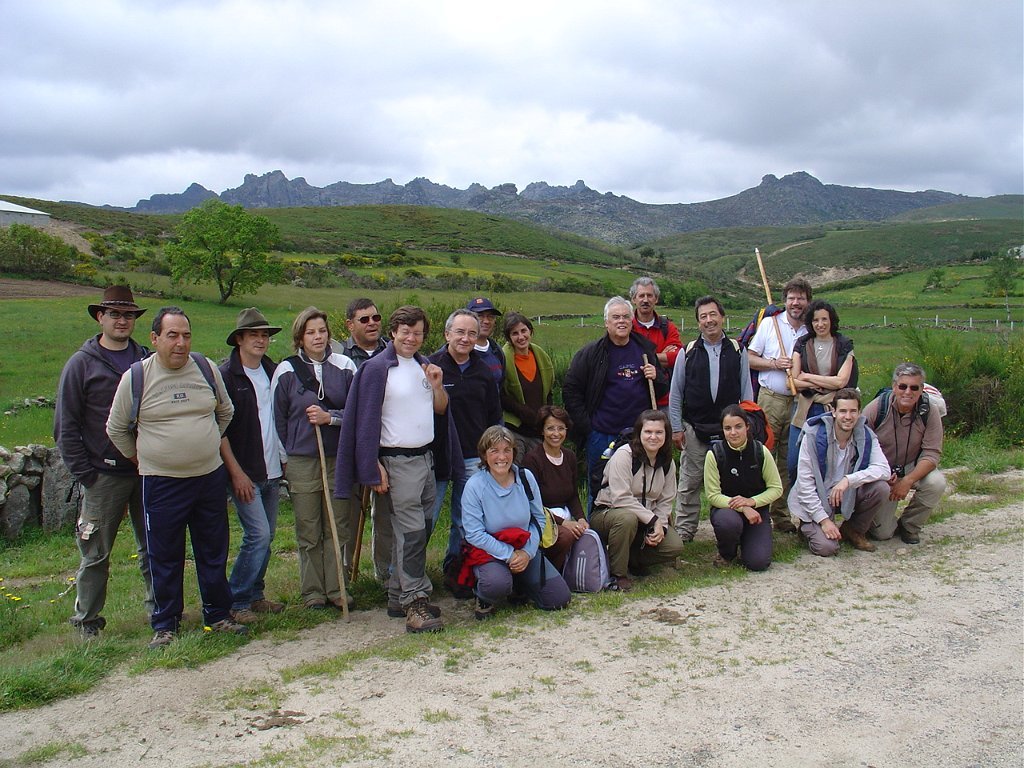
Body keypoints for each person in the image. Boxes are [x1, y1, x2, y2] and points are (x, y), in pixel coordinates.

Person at [106, 306, 242, 649]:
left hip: (208, 478)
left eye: (186, 335)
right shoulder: (137, 378)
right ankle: (166, 625)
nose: (180, 343)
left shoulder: (206, 369)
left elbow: (225, 412)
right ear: (154, 339)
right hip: (162, 482)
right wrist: (141, 457)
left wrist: (205, 442)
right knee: (165, 556)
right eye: (172, 335)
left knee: (213, 550)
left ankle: (218, 615)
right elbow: (117, 428)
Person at [335, 306, 462, 633]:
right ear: (393, 332)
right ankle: (414, 602)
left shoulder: (424, 366)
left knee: (422, 524)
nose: (411, 338)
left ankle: (396, 593)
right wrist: (371, 464)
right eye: (405, 332)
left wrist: (436, 385)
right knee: (411, 532)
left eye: (417, 332)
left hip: (425, 459)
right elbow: (364, 421)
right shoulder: (377, 369)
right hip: (397, 460)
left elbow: (440, 410)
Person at [55, 286, 154, 638]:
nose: (123, 320)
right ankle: (86, 621)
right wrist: (87, 474)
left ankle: (159, 612)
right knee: (95, 553)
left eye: (128, 315)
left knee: (153, 547)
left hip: (146, 470)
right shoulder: (81, 364)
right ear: (101, 317)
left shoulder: (145, 359)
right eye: (115, 314)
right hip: (104, 475)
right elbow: (65, 426)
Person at [271, 307, 357, 611]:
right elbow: (277, 419)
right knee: (309, 527)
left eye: (322, 330)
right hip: (302, 460)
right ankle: (313, 592)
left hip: (338, 458)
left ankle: (338, 588)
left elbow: (358, 413)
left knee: (337, 525)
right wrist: (286, 455)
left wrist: (329, 418)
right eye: (311, 332)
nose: (318, 337)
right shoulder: (286, 371)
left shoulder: (345, 367)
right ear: (300, 337)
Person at [562, 296, 667, 504]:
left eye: (626, 317)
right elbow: (571, 390)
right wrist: (588, 427)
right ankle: (598, 535)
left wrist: (656, 376)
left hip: (639, 435)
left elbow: (662, 387)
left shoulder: (644, 350)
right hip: (602, 434)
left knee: (639, 486)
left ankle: (639, 532)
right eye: (616, 317)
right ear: (606, 322)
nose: (621, 321)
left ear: (632, 321)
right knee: (600, 487)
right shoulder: (591, 353)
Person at [460, 426, 571, 619]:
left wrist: (527, 553)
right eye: (494, 450)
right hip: (490, 551)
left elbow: (538, 518)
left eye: (507, 450)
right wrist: (510, 555)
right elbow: (474, 534)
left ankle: (520, 584)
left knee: (559, 598)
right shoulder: (475, 485)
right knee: (497, 584)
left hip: (523, 547)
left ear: (514, 452)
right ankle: (484, 596)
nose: (501, 457)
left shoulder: (526, 478)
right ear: (484, 455)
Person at [219, 308, 285, 624]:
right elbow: (218, 430)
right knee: (257, 535)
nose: (261, 340)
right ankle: (238, 600)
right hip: (244, 471)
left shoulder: (274, 371)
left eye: (265, 335)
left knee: (269, 535)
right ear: (240, 339)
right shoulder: (226, 376)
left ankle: (256, 594)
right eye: (254, 334)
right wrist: (235, 472)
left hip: (272, 468)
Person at [668, 296, 753, 541]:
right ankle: (684, 532)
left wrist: (746, 425)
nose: (709, 320)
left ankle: (731, 529)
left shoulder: (738, 350)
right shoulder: (688, 352)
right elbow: (676, 393)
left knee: (731, 482)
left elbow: (746, 392)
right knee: (689, 484)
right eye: (703, 316)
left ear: (722, 317)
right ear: (698, 322)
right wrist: (676, 428)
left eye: (713, 314)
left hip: (730, 431)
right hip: (695, 429)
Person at [428, 309, 503, 572]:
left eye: (472, 333)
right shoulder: (431, 367)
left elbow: (494, 418)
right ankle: (409, 575)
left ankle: (455, 570)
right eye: (459, 332)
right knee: (427, 516)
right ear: (447, 334)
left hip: (472, 455)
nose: (465, 338)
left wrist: (493, 453)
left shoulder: (484, 372)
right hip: (435, 454)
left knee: (464, 520)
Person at [788, 388, 890, 557]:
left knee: (881, 488)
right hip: (816, 497)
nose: (848, 417)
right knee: (828, 548)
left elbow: (884, 469)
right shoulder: (813, 435)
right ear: (833, 411)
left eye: (852, 411)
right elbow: (805, 485)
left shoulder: (866, 435)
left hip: (844, 493)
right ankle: (808, 527)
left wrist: (848, 480)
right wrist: (825, 521)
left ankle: (854, 529)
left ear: (859, 412)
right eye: (843, 411)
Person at [591, 410, 685, 591]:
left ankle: (632, 559)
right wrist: (653, 520)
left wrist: (661, 527)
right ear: (639, 433)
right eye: (648, 432)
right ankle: (618, 574)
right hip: (608, 513)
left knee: (674, 546)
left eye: (659, 432)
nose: (653, 437)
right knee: (627, 518)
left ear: (666, 435)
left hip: (646, 519)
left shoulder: (666, 462)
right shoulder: (624, 455)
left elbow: (666, 500)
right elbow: (621, 498)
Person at [747, 277, 812, 531]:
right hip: (770, 400)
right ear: (785, 301)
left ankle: (782, 516)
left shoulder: (810, 330)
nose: (796, 303)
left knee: (788, 460)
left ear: (808, 301)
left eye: (801, 298)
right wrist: (774, 363)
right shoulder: (770, 325)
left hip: (799, 403)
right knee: (764, 456)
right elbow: (750, 358)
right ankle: (757, 513)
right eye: (792, 298)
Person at [338, 297, 391, 585]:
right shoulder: (341, 357)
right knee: (349, 510)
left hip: (389, 442)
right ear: (349, 324)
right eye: (364, 319)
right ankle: (346, 573)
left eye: (376, 317)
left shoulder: (392, 352)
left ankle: (384, 574)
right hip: (355, 441)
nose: (372, 323)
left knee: (384, 515)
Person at [863, 363, 947, 545]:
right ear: (894, 387)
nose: (907, 392)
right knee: (882, 534)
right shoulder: (876, 408)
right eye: (902, 386)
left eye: (914, 387)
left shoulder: (930, 411)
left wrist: (907, 481)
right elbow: (860, 450)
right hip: (882, 471)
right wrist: (883, 475)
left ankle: (910, 525)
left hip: (912, 466)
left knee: (936, 482)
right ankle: (883, 523)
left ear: (921, 390)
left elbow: (932, 454)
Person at [704, 405, 783, 571]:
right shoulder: (715, 454)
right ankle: (727, 553)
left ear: (747, 427)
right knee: (728, 523)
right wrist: (743, 506)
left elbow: (776, 488)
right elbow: (712, 495)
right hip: (726, 510)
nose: (733, 432)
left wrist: (752, 502)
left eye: (738, 427)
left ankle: (750, 539)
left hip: (757, 512)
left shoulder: (760, 451)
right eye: (728, 428)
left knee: (758, 563)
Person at [787, 300, 856, 479]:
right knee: (794, 463)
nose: (820, 324)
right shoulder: (801, 344)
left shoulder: (844, 344)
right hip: (804, 408)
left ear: (831, 320)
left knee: (825, 462)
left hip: (831, 409)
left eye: (824, 319)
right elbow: (792, 382)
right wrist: (818, 384)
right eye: (816, 320)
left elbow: (841, 382)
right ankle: (799, 503)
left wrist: (808, 377)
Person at [521, 405, 587, 571]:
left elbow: (572, 495)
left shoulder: (570, 457)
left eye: (560, 428)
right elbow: (531, 503)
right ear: (542, 431)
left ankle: (572, 574)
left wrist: (581, 519)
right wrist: (564, 523)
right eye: (550, 428)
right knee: (564, 536)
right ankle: (549, 576)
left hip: (565, 514)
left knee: (585, 532)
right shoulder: (532, 459)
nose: (556, 434)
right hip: (540, 517)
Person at [500, 312, 554, 459]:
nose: (521, 337)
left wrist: (547, 416)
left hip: (538, 429)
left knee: (537, 474)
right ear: (509, 338)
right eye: (515, 333)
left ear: (530, 331)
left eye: (524, 331)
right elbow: (500, 395)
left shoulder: (541, 356)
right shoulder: (503, 359)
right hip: (515, 430)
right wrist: (523, 412)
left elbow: (549, 391)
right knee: (514, 473)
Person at [630, 277, 682, 408]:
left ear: (656, 299)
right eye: (641, 295)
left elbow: (678, 357)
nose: (645, 300)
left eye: (650, 295)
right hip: (633, 400)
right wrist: (661, 358)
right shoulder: (627, 327)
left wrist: (646, 359)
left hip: (663, 400)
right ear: (633, 299)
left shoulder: (668, 327)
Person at [466, 297, 505, 386]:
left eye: (490, 317)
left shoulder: (497, 351)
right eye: (480, 316)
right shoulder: (457, 351)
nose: (486, 321)